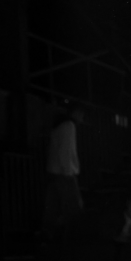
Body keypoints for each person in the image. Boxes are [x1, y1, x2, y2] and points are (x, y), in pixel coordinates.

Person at [43, 103, 85, 242]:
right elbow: (66, 152)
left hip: (54, 172)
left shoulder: (60, 126)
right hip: (64, 174)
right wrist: (69, 173)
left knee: (53, 209)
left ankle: (52, 239)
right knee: (73, 209)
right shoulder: (69, 126)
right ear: (76, 113)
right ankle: (70, 240)